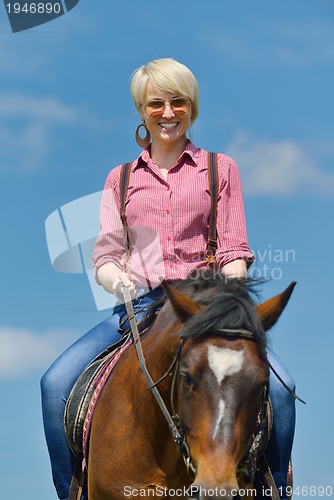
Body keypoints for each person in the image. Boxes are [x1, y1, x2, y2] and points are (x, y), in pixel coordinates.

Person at [41, 58, 295, 500]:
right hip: (139, 306)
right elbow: (106, 253)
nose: (167, 112)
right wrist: (114, 278)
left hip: (206, 305)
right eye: (156, 103)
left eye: (178, 102)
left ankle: (272, 488)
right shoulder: (119, 179)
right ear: (142, 110)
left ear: (191, 107)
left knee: (285, 390)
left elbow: (235, 248)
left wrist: (228, 288)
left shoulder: (220, 169)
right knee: (55, 384)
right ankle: (71, 492)